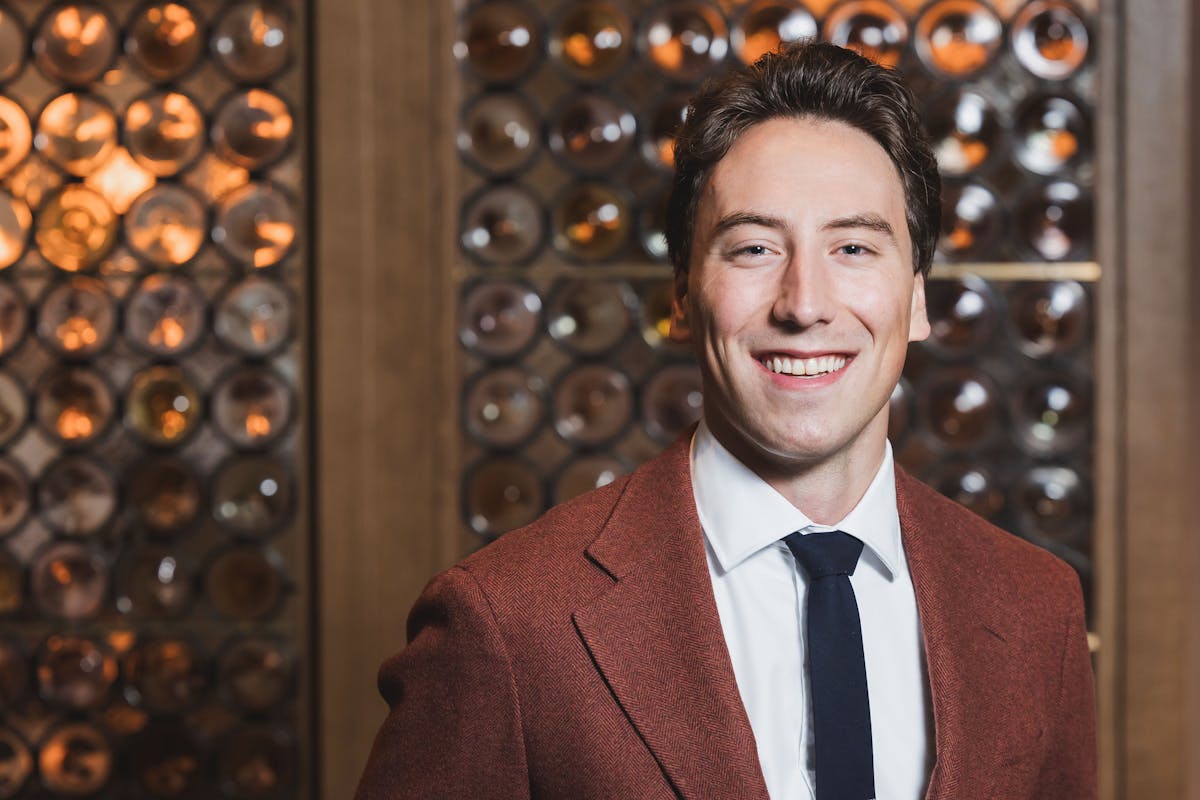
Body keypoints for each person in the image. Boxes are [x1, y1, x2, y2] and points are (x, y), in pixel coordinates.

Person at [354, 42, 1096, 800]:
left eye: (852, 246)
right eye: (753, 247)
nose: (804, 303)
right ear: (683, 293)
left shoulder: (1037, 605)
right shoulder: (505, 623)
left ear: (915, 296)